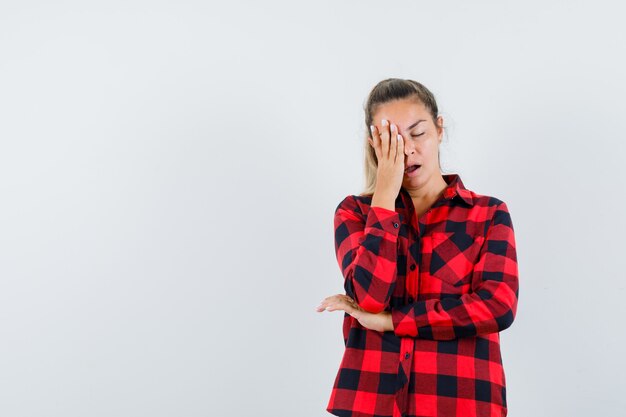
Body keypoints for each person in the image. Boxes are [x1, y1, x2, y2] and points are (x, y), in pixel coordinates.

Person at [315, 78, 519, 417]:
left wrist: (392, 321)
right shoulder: (354, 212)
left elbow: (497, 307)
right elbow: (368, 298)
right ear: (374, 145)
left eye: (417, 133)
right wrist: (384, 196)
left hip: (461, 403)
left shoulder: (487, 213)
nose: (407, 149)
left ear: (439, 130)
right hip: (371, 400)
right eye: (391, 139)